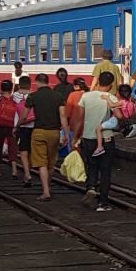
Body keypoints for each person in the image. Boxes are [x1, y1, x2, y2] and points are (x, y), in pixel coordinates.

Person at [74, 71, 120, 211]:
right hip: (106, 137)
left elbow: (80, 119)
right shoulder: (110, 97)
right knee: (105, 170)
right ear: (111, 84)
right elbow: (119, 115)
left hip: (88, 137)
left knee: (92, 166)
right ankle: (103, 203)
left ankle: (91, 187)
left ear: (98, 81)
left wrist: (75, 137)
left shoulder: (86, 96)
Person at [26, 73, 64, 201]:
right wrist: (66, 133)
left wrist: (17, 125)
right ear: (48, 82)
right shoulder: (58, 96)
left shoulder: (33, 96)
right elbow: (63, 116)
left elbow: (24, 115)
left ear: (37, 82)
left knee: (41, 163)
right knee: (51, 163)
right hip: (54, 132)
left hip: (39, 131)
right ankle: (48, 185)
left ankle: (46, 191)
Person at [0, 78, 19, 173]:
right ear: (11, 89)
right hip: (11, 127)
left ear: (1, 89)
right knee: (12, 148)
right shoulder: (15, 100)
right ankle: (14, 170)